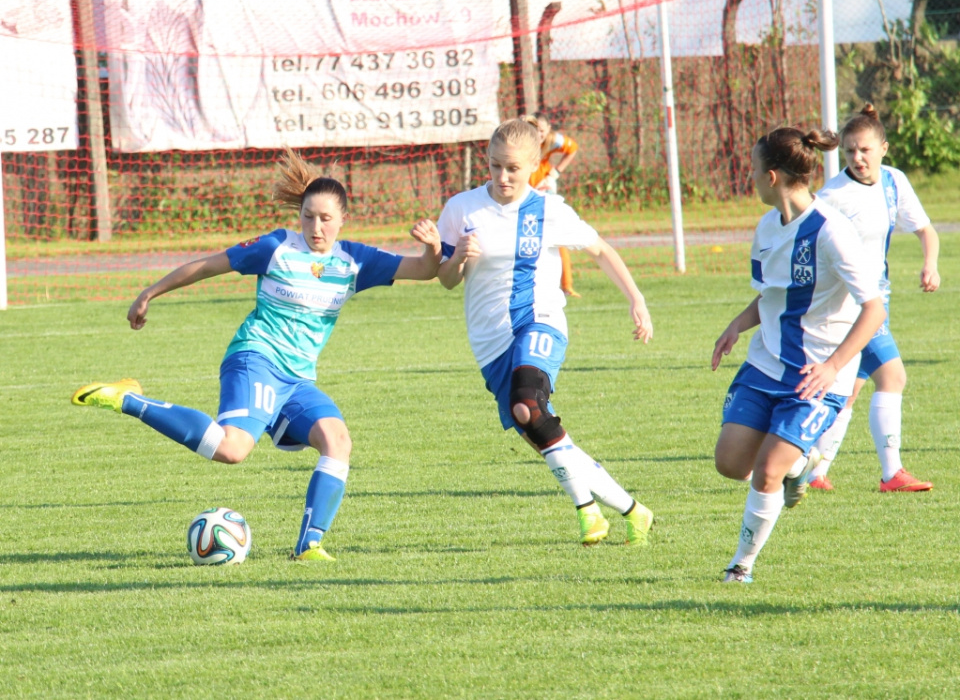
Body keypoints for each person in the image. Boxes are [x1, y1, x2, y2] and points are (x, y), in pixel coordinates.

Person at [71, 149, 441, 562]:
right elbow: (209, 266)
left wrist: (432, 248)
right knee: (232, 449)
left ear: (342, 220)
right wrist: (149, 292)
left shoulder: (356, 261)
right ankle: (130, 399)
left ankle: (308, 547)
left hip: (298, 380)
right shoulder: (276, 248)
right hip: (256, 358)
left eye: (324, 219)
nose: (315, 227)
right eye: (308, 217)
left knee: (337, 441)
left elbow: (425, 271)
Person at [436, 118, 654, 547]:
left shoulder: (549, 210)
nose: (503, 177)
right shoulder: (462, 208)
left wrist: (637, 299)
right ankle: (633, 510)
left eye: (513, 168)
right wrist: (458, 256)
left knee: (526, 405)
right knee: (540, 430)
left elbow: (600, 250)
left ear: (534, 166)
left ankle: (587, 513)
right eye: (496, 166)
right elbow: (445, 280)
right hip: (490, 341)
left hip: (540, 321)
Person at [712, 126, 886, 583]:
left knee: (766, 471)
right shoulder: (768, 227)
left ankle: (741, 565)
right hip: (764, 364)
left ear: (771, 177)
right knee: (730, 463)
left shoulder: (832, 232)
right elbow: (772, 297)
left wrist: (833, 367)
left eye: (751, 170)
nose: (749, 178)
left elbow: (873, 309)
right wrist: (735, 325)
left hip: (816, 376)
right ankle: (801, 464)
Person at [806, 103, 940, 493]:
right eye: (849, 151)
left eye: (864, 149)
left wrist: (930, 264)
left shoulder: (894, 181)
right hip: (853, 306)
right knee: (894, 376)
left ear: (883, 147)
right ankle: (891, 473)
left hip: (879, 298)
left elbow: (926, 230)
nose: (857, 158)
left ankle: (812, 470)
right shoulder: (833, 196)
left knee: (849, 391)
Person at [527, 112, 581, 297]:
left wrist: (555, 173)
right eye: (535, 130)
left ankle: (567, 285)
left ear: (548, 129)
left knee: (557, 238)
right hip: (526, 191)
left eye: (541, 130)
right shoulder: (522, 141)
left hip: (544, 191)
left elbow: (573, 148)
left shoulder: (553, 140)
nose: (539, 134)